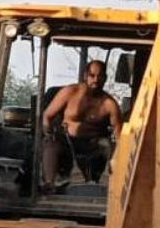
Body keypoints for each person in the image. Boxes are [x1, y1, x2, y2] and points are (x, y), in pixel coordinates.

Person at [40, 60, 122, 189]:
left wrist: (117, 151)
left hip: (93, 144)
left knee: (112, 147)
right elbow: (47, 116)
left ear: (105, 78)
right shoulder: (69, 92)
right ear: (85, 76)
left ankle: (111, 186)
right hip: (66, 140)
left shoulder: (110, 104)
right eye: (92, 75)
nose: (95, 80)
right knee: (50, 142)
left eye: (100, 76)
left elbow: (119, 136)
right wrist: (48, 133)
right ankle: (49, 185)